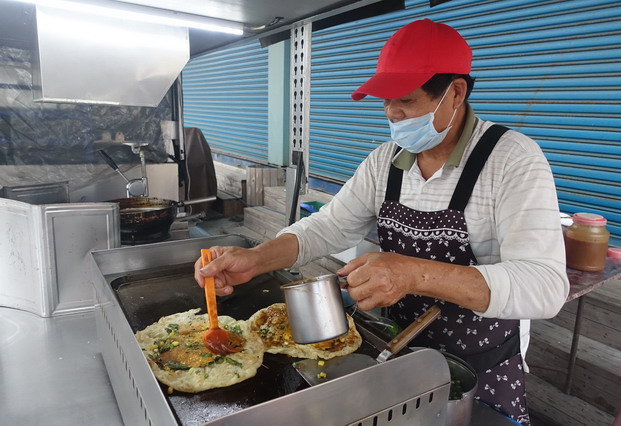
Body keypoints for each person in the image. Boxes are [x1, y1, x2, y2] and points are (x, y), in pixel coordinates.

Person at [194, 18, 569, 425]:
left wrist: (413, 273)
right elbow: (327, 226)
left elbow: (545, 287)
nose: (392, 115)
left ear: (455, 92)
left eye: (404, 101)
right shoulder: (386, 161)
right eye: (385, 102)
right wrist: (257, 258)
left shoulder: (512, 160)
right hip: (399, 355)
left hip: (479, 371)